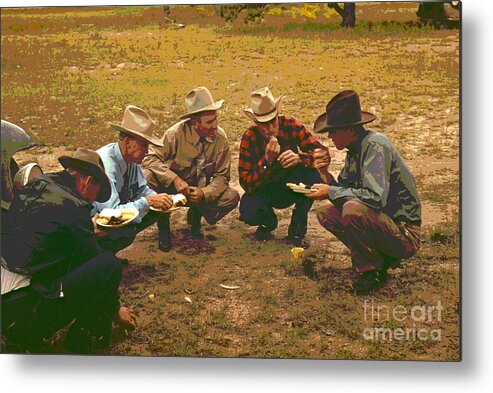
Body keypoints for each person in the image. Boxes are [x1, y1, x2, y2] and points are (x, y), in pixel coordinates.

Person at [1, 149, 136, 354]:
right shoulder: (74, 206)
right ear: (87, 181)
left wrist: (85, 231)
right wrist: (116, 309)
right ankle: (80, 338)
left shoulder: (39, 184)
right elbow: (93, 261)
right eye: (96, 195)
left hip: (8, 292)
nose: (93, 202)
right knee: (109, 265)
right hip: (21, 311)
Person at [307, 90, 421, 295]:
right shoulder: (355, 148)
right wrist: (323, 173)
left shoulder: (374, 147)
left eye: (333, 131)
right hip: (386, 223)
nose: (330, 137)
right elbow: (341, 190)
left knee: (352, 210)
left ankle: (373, 271)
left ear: (350, 129)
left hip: (404, 232)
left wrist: (331, 190)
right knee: (327, 214)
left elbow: (374, 198)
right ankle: (380, 259)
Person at [142, 86, 239, 251]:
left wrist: (204, 193)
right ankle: (163, 224)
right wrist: (174, 179)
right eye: (209, 122)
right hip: (171, 190)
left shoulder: (220, 138)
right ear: (195, 123)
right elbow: (149, 158)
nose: (215, 125)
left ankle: (196, 216)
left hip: (199, 191)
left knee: (232, 196)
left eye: (216, 119)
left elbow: (223, 177)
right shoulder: (175, 134)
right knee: (147, 176)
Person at [238, 87, 329, 247]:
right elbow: (246, 183)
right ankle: (268, 222)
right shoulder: (250, 137)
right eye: (262, 124)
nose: (269, 129)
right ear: (255, 123)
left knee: (313, 176)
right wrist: (266, 161)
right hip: (266, 190)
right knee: (248, 209)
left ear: (277, 116)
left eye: (272, 122)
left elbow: (322, 154)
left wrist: (300, 158)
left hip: (292, 185)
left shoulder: (290, 124)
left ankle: (298, 225)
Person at [92, 105, 173, 253]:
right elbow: (111, 213)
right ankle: (99, 256)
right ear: (128, 142)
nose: (147, 151)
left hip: (109, 212)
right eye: (143, 145)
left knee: (155, 209)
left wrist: (158, 199)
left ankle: (106, 253)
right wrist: (147, 202)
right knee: (126, 230)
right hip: (89, 224)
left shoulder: (129, 160)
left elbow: (141, 188)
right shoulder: (107, 165)